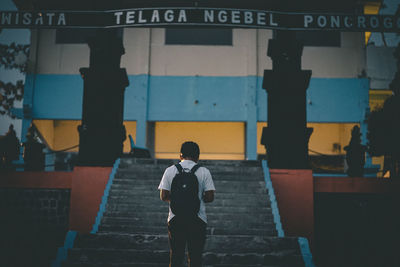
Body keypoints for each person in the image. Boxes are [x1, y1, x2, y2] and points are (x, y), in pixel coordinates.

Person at [158, 141, 215, 267]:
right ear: (197, 156)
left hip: (175, 218)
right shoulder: (204, 171)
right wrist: (196, 199)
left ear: (180, 155)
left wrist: (179, 200)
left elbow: (163, 196)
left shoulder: (170, 170)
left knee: (176, 256)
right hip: (197, 218)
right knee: (195, 257)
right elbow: (210, 197)